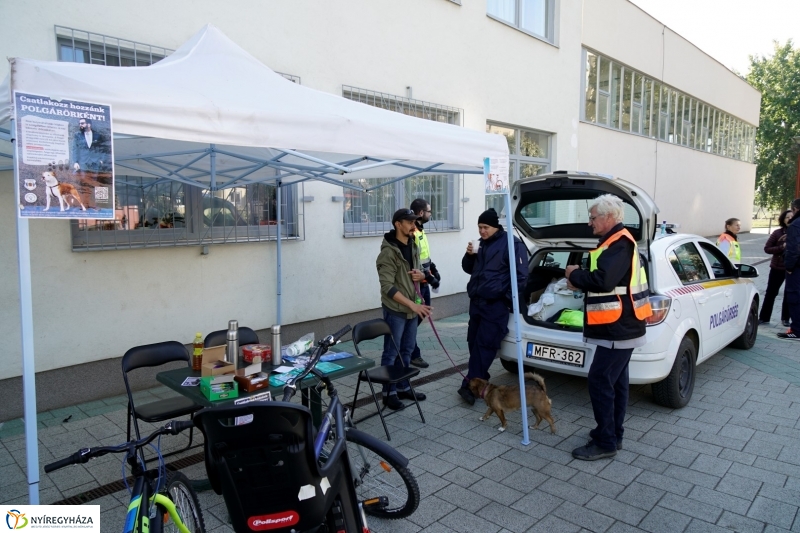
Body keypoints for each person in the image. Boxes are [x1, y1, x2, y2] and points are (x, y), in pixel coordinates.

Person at [565, 194, 652, 460]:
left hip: (618, 328)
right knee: (617, 382)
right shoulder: (614, 241)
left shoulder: (619, 243)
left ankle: (605, 442)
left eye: (593, 218)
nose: (590, 223)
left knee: (600, 380)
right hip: (619, 327)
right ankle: (613, 433)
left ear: (609, 217)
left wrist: (574, 276)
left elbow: (603, 280)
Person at [458, 208, 527, 405]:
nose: (481, 231)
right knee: (473, 342)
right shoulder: (481, 244)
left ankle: (469, 386)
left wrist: (505, 299)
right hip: (477, 302)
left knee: (485, 346)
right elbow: (468, 269)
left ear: (496, 227)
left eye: (485, 227)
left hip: (495, 305)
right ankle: (479, 378)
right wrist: (469, 255)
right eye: (479, 227)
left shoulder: (512, 244)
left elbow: (521, 277)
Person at [376, 208, 433, 409]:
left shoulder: (413, 244)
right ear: (397, 224)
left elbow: (416, 271)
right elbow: (387, 287)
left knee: (407, 350)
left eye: (414, 222)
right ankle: (388, 392)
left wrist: (420, 275)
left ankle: (402, 386)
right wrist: (411, 305)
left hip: (411, 308)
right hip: (396, 310)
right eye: (409, 222)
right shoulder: (388, 252)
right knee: (391, 352)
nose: (413, 225)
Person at [409, 198, 440, 369]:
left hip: (424, 279)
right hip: (417, 283)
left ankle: (407, 342)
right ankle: (413, 353)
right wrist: (428, 278)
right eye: (429, 211)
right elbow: (412, 261)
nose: (430, 214)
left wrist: (434, 269)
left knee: (422, 311)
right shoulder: (413, 232)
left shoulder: (420, 230)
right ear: (421, 213)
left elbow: (424, 256)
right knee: (414, 317)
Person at [759, 209, 793, 326]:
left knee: (789, 294)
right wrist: (781, 247)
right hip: (777, 267)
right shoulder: (777, 233)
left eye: (792, 217)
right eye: (787, 217)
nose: (789, 219)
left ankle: (785, 319)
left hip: (792, 269)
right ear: (783, 220)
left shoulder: (797, 232)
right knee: (771, 293)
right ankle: (764, 317)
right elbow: (767, 249)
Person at [779, 198, 800, 339]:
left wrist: (789, 266)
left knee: (794, 297)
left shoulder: (795, 225)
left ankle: (796, 330)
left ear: (795, 209)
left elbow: (793, 249)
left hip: (797, 268)